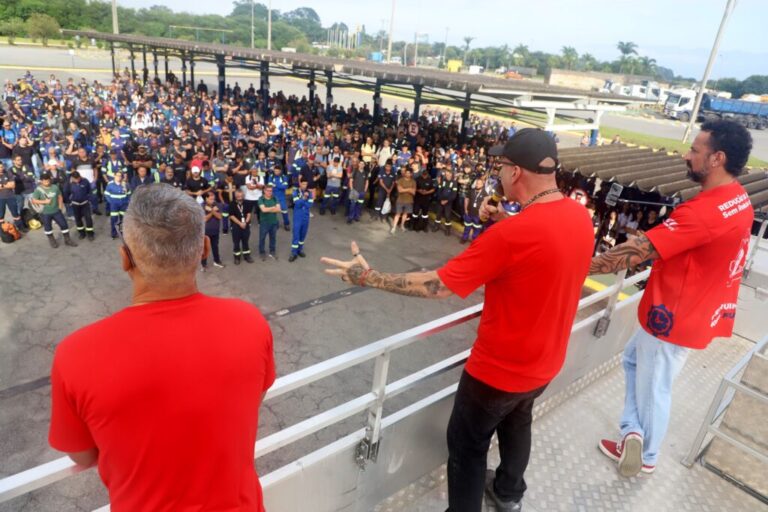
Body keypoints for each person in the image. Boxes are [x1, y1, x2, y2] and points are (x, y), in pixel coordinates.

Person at [322, 129, 594, 512]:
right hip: (545, 362)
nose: (498, 173)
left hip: (497, 372)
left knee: (467, 448)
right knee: (518, 423)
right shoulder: (579, 218)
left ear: (516, 172)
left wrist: (368, 276)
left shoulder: (513, 235)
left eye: (501, 166)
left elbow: (438, 286)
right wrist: (502, 219)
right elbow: (541, 257)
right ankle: (509, 492)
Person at [48, 184, 275, 512]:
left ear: (125, 258)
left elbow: (83, 454)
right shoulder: (250, 322)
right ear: (205, 250)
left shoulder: (76, 354)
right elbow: (254, 398)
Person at [589, 120, 755, 478]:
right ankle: (633, 430)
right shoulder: (738, 199)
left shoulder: (703, 213)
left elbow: (636, 252)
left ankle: (646, 453)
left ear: (717, 158)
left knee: (655, 387)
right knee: (634, 360)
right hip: (697, 311)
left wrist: (576, 267)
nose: (687, 154)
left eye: (695, 150)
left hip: (674, 317)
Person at [31, 172, 78, 248]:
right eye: (45, 181)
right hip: (45, 213)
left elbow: (60, 197)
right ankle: (52, 240)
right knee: (48, 228)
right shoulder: (38, 190)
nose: (47, 182)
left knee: (64, 225)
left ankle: (67, 240)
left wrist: (60, 207)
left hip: (56, 211)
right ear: (41, 181)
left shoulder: (55, 187)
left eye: (48, 180)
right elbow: (34, 200)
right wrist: (44, 201)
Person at [289, 177, 313, 262]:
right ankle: (294, 253)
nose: (304, 185)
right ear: (300, 184)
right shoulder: (295, 192)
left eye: (306, 184)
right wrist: (303, 199)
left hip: (305, 217)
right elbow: (296, 203)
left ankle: (300, 250)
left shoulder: (309, 193)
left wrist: (302, 202)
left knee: (303, 235)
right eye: (303, 184)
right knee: (296, 235)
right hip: (297, 217)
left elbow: (309, 205)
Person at [67, 171, 95, 241]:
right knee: (78, 219)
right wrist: (69, 202)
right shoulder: (68, 183)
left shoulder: (85, 181)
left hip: (85, 204)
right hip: (75, 205)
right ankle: (82, 233)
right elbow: (65, 193)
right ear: (72, 178)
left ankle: (90, 233)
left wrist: (89, 199)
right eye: (75, 179)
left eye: (78, 178)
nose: (77, 180)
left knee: (88, 219)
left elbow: (90, 191)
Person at [201, 191, 225, 271]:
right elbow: (205, 219)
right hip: (205, 232)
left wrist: (210, 210)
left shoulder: (217, 204)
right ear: (206, 198)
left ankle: (217, 261)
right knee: (205, 248)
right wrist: (213, 211)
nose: (213, 201)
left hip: (215, 230)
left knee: (215, 246)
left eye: (213, 199)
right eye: (211, 199)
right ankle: (203, 264)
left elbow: (219, 217)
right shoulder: (202, 205)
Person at [229, 188, 254, 264]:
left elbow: (249, 213)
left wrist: (246, 222)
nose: (240, 197)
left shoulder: (247, 203)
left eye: (241, 196)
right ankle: (237, 257)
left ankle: (247, 256)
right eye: (238, 196)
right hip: (236, 226)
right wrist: (240, 223)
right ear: (235, 196)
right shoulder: (232, 204)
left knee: (245, 241)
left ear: (243, 195)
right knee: (236, 242)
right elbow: (231, 216)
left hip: (245, 225)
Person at [390, 165, 416, 234]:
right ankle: (394, 227)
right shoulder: (400, 180)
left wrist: (405, 189)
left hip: (409, 201)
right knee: (397, 214)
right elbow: (400, 190)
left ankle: (402, 225)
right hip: (400, 200)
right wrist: (409, 189)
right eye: (406, 173)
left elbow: (413, 192)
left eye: (409, 173)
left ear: (411, 174)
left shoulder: (413, 182)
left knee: (405, 214)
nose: (407, 174)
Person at [104, 170, 130, 239]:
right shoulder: (110, 184)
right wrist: (111, 202)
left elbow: (129, 194)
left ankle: (122, 232)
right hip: (114, 205)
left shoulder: (125, 184)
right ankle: (114, 233)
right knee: (114, 219)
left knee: (123, 219)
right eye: (117, 175)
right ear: (114, 176)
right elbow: (106, 195)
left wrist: (127, 202)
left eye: (120, 176)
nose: (119, 177)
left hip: (123, 205)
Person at [257, 184, 280, 261]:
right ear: (264, 191)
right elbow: (263, 210)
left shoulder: (275, 198)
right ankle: (262, 252)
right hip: (264, 222)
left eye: (271, 191)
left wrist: (268, 209)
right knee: (262, 238)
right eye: (268, 191)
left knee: (273, 238)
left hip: (274, 222)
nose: (270, 192)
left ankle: (272, 251)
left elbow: (279, 210)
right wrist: (273, 207)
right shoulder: (261, 199)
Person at [433, 167, 458, 235]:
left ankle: (447, 229)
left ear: (451, 174)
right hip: (440, 201)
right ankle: (436, 226)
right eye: (446, 174)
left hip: (448, 202)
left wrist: (446, 201)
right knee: (438, 214)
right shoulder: (443, 180)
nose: (447, 175)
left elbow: (454, 195)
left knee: (447, 216)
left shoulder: (454, 183)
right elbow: (439, 190)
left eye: (448, 174)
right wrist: (441, 200)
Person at [0, 161, 24, 232]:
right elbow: (10, 185)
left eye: (1, 167)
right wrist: (7, 184)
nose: (1, 169)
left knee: (15, 213)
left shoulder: (7, 173)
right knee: (0, 216)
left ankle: (21, 228)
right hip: (0, 198)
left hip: (10, 196)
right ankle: (2, 231)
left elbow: (13, 185)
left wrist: (2, 185)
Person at [413, 165, 436, 232]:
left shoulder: (430, 180)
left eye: (425, 175)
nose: (424, 176)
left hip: (426, 199)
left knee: (425, 215)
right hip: (418, 199)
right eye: (423, 174)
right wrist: (419, 190)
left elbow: (433, 189)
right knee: (415, 213)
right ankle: (415, 226)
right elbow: (414, 188)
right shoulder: (417, 179)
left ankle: (424, 227)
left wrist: (427, 192)